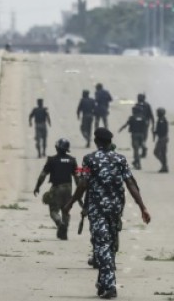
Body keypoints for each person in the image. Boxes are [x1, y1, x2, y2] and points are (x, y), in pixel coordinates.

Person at [63, 128, 151, 299]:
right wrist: (142, 207)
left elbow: (82, 184)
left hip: (98, 210)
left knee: (102, 245)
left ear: (96, 141)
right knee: (109, 246)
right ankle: (103, 282)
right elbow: (131, 184)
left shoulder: (89, 159)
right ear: (110, 142)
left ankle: (110, 286)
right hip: (115, 209)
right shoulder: (120, 159)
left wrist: (70, 203)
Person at [33, 138, 78, 239]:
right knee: (66, 211)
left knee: (53, 211)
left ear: (56, 148)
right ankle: (64, 231)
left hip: (56, 188)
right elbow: (77, 177)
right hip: (68, 188)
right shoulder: (72, 160)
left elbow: (42, 175)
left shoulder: (51, 160)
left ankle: (59, 223)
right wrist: (79, 194)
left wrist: (37, 187)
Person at [118, 106, 147, 170]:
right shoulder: (143, 118)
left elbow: (126, 124)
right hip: (141, 135)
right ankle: (136, 161)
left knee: (136, 149)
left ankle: (138, 163)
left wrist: (121, 129)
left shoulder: (132, 117)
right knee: (138, 148)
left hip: (134, 135)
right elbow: (145, 127)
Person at [134, 93, 154, 158]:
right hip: (145, 125)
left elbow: (134, 115)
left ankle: (142, 151)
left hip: (139, 125)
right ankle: (143, 151)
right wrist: (153, 125)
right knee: (143, 139)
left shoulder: (137, 105)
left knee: (139, 139)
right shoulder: (147, 105)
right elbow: (151, 116)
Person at [152, 107, 169, 173]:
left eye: (158, 112)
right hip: (164, 138)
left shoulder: (161, 120)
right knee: (163, 153)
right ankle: (164, 167)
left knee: (156, 152)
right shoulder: (161, 119)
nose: (157, 114)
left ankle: (164, 165)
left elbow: (162, 131)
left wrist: (155, 132)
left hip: (162, 138)